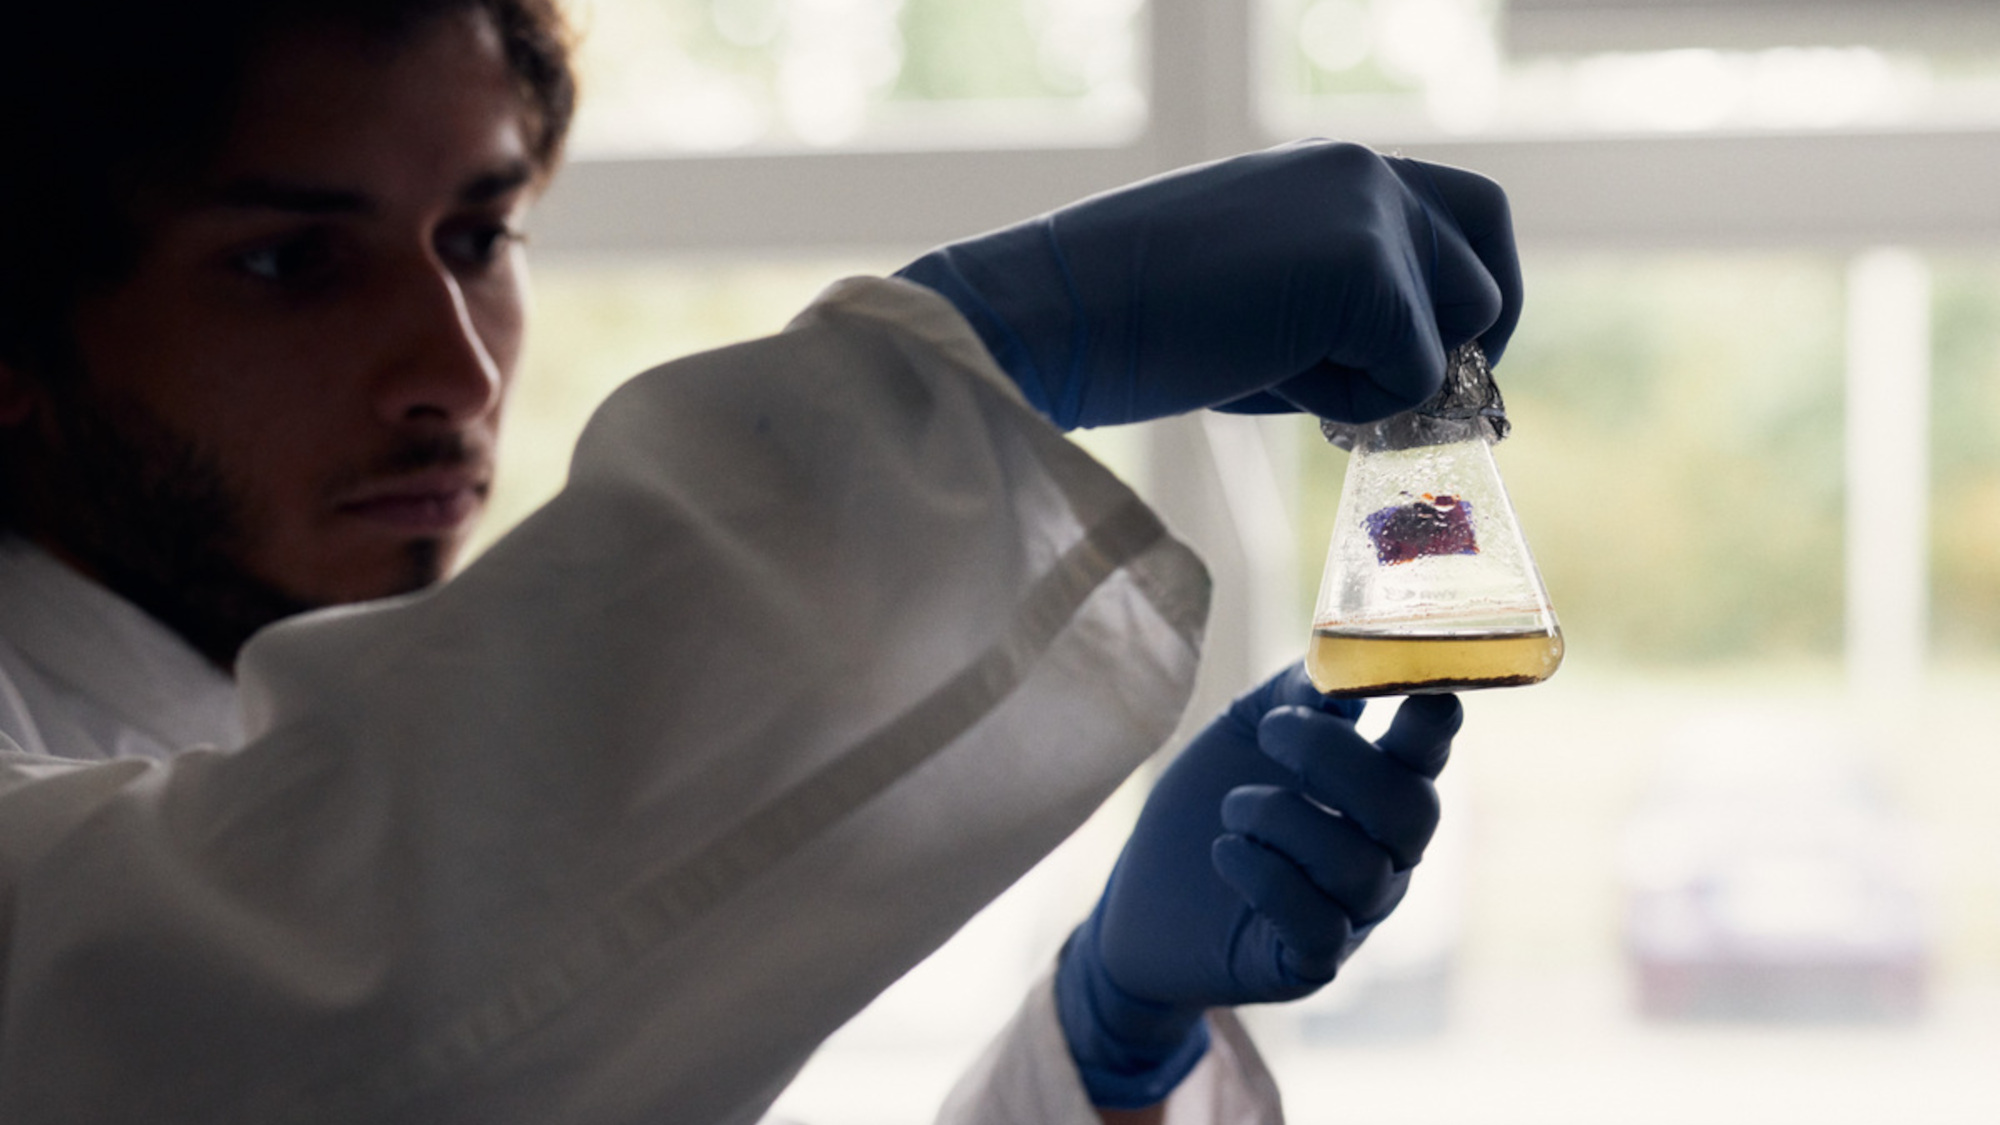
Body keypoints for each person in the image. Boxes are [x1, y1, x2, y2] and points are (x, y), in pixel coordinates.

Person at [0, 1, 1520, 1122]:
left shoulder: (361, 768)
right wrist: (981, 358)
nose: (452, 374)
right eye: (289, 262)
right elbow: (234, 1017)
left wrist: (1110, 1043)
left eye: (479, 237)